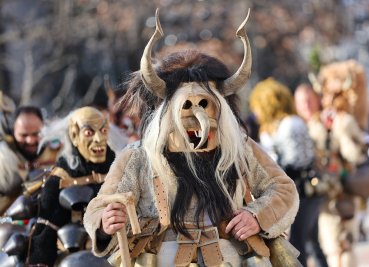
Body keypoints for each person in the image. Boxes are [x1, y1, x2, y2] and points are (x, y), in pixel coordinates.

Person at [84, 10, 299, 267]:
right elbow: (98, 208)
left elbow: (283, 189)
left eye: (205, 104)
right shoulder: (137, 157)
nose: (195, 117)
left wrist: (257, 216)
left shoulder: (239, 147)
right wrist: (105, 223)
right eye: (186, 107)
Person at [249, 78, 326, 267]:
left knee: (299, 244)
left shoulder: (290, 124)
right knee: (310, 242)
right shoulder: (274, 127)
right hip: (299, 191)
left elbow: (296, 162)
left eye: (258, 106)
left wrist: (272, 178)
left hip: (303, 192)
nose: (255, 112)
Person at [27, 106, 116, 266]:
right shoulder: (59, 180)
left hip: (117, 254)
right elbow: (46, 232)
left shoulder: (120, 168)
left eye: (103, 131)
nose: (99, 139)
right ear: (74, 135)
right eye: (89, 132)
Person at [308, 60, 369, 267]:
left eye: (333, 95)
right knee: (331, 247)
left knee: (346, 245)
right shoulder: (316, 121)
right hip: (324, 190)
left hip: (346, 189)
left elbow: (356, 156)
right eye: (325, 94)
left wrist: (343, 137)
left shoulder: (346, 121)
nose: (327, 99)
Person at [294, 83, 329, 267]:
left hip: (324, 190)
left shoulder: (323, 124)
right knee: (313, 242)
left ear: (316, 100)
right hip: (311, 191)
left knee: (310, 243)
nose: (306, 105)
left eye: (309, 100)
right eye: (301, 101)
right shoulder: (297, 124)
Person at [0, 105, 60, 215]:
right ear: (13, 132)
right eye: (23, 135)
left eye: (36, 134)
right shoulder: (4, 157)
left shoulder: (57, 152)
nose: (30, 140)